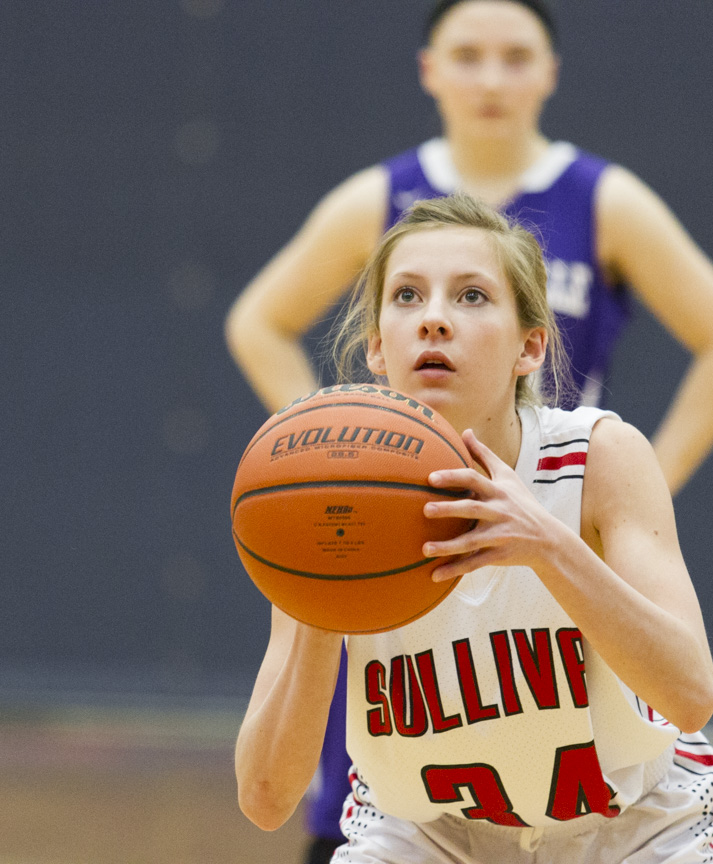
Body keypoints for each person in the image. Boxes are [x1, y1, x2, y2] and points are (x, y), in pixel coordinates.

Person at [226, 2, 713, 858]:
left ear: (532, 344)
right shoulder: (318, 516)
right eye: (407, 298)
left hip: (634, 825)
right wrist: (317, 593)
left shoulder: (597, 458)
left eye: (471, 296)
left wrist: (550, 542)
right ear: (375, 348)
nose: (434, 321)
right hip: (434, 831)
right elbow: (264, 800)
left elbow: (690, 696)